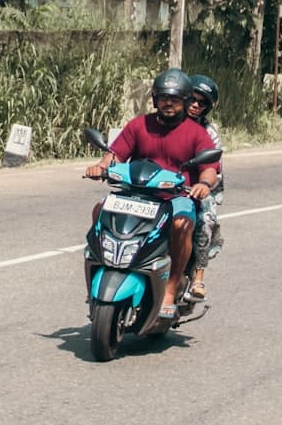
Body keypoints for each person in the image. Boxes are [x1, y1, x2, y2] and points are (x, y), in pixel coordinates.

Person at [85, 68, 221, 319]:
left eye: (175, 98)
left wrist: (203, 184)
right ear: (155, 99)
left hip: (176, 197)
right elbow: (115, 154)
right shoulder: (139, 125)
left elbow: (210, 168)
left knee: (182, 224)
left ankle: (170, 288)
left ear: (185, 101)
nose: (168, 103)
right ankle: (99, 266)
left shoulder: (197, 133)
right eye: (163, 97)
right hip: (135, 193)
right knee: (99, 209)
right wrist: (101, 167)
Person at [186, 73, 225, 302]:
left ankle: (198, 278)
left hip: (197, 187)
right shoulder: (164, 121)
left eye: (201, 103)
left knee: (205, 220)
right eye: (192, 99)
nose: (195, 105)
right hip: (159, 184)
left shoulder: (209, 133)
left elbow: (214, 168)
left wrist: (203, 184)